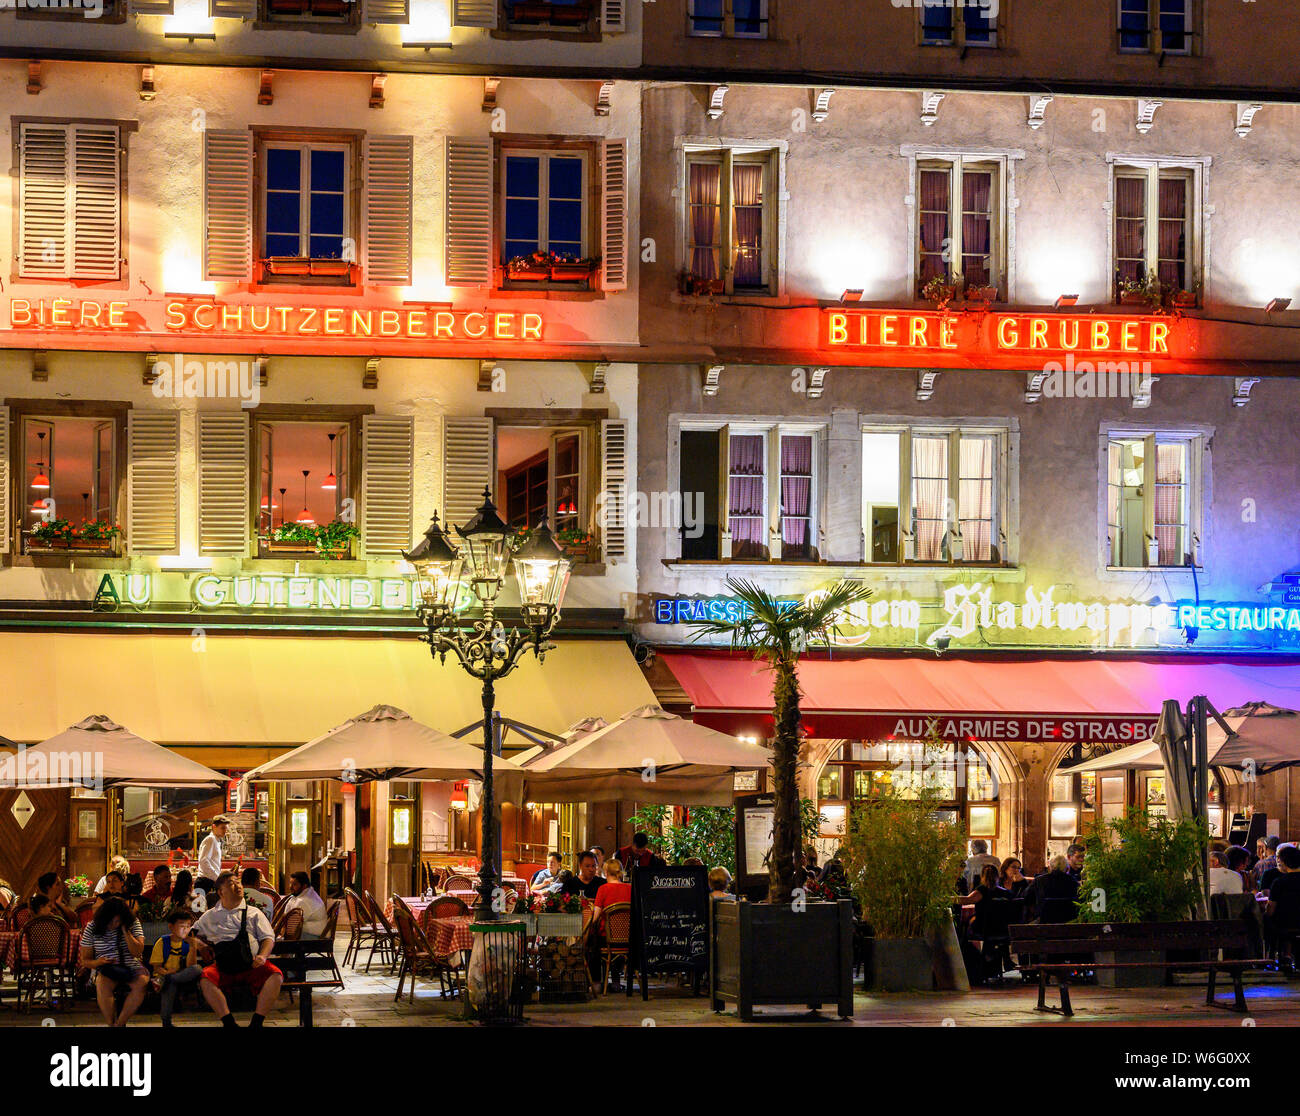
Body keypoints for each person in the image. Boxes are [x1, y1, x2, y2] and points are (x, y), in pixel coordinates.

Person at [191, 870, 283, 1028]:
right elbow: (188, 934)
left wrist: (262, 956)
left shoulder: (254, 913)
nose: (238, 886)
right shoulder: (210, 916)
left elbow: (268, 938)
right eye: (231, 884)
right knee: (206, 979)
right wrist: (200, 945)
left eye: (238, 882)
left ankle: (257, 1022)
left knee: (276, 976)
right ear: (220, 892)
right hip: (224, 966)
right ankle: (228, 1022)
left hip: (250, 964)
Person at [79, 895, 149, 1027]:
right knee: (102, 984)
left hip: (130, 964)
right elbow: (85, 960)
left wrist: (125, 931)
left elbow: (138, 952)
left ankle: (120, 1023)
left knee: (142, 983)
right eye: (110, 922)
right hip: (106, 967)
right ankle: (111, 1024)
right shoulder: (92, 927)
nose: (112, 925)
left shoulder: (133, 923)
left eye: (116, 921)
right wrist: (98, 962)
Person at [148, 909, 203, 1027]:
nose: (185, 929)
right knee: (169, 984)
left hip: (181, 976)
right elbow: (156, 967)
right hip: (163, 977)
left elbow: (190, 967)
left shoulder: (188, 943)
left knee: (197, 968)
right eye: (181, 926)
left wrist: (193, 947)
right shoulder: (163, 942)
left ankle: (171, 978)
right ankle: (166, 1022)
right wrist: (166, 973)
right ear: (171, 927)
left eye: (188, 926)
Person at [587, 860, 633, 990]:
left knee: (592, 940)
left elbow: (595, 917)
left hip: (606, 937)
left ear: (605, 872)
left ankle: (596, 982)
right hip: (628, 938)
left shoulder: (603, 889)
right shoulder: (630, 889)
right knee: (615, 945)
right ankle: (617, 982)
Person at [1265, 845, 1300, 970]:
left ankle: (1278, 956)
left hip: (1284, 923)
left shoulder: (1279, 882)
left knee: (1269, 922)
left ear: (1284, 862)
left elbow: (1271, 909)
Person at [1025, 855, 1079, 923]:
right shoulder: (1073, 881)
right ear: (1067, 868)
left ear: (1049, 867)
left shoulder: (1039, 880)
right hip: (1069, 921)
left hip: (1043, 921)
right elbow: (1079, 901)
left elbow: (1026, 897)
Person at [284, 871, 328, 937]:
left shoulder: (304, 901)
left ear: (304, 886)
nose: (290, 887)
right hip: (311, 933)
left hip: (314, 937)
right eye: (290, 883)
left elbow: (292, 925)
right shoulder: (307, 893)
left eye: (294, 884)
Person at [196, 816, 229, 896]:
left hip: (208, 881)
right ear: (214, 826)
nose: (225, 831)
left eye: (226, 828)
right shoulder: (210, 839)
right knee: (201, 908)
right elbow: (203, 861)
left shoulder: (216, 840)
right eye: (222, 828)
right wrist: (217, 878)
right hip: (205, 883)